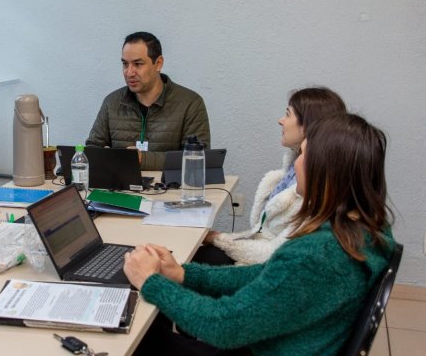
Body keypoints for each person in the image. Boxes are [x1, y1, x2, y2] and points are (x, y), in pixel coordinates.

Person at [123, 113, 395, 356]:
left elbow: (224, 326)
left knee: (140, 338)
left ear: (324, 170)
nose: (296, 164)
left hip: (259, 347)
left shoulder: (315, 256)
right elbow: (266, 276)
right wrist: (183, 274)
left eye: (302, 154)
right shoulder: (367, 230)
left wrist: (150, 282)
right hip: (290, 340)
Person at [194, 87, 347, 265]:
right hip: (258, 252)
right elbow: (264, 234)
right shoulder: (293, 169)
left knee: (188, 260)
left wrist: (220, 240)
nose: (280, 121)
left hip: (263, 266)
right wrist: (221, 239)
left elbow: (275, 253)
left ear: (308, 126)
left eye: (288, 114)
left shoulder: (311, 191)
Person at [86, 31, 210, 170]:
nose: (129, 72)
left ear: (158, 63)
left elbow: (197, 158)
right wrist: (105, 156)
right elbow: (92, 149)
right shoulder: (112, 102)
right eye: (125, 64)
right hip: (122, 182)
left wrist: (143, 159)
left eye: (138, 64)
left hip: (168, 184)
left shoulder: (190, 103)